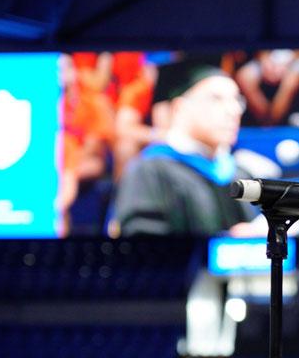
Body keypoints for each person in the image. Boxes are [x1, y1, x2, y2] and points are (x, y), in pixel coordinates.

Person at [112, 61, 274, 237]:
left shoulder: (240, 174)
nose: (233, 110)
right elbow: (142, 250)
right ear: (180, 108)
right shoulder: (149, 172)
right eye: (216, 99)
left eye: (237, 100)